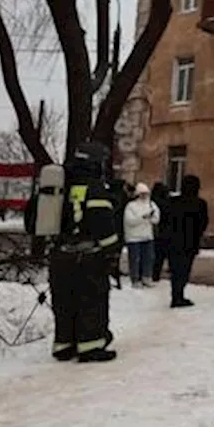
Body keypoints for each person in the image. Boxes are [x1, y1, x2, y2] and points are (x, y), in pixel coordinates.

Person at [51, 142, 121, 363]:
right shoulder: (95, 188)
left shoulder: (60, 185)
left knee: (64, 302)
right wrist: (112, 252)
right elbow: (103, 224)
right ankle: (91, 345)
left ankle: (64, 344)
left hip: (60, 255)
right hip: (88, 257)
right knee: (92, 300)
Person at [163, 173, 208, 308]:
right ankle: (179, 296)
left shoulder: (172, 201)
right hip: (189, 243)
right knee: (184, 270)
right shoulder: (200, 204)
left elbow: (165, 221)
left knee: (175, 270)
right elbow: (203, 223)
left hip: (172, 242)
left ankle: (175, 295)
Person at [122, 183, 160, 287]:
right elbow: (130, 221)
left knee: (148, 258)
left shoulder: (151, 204)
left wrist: (150, 217)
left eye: (146, 193)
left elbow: (156, 219)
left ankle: (146, 277)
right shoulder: (131, 206)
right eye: (142, 193)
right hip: (133, 237)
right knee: (135, 259)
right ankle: (135, 279)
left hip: (147, 236)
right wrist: (143, 217)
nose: (144, 196)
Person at [150, 182, 171, 282]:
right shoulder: (167, 202)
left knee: (152, 254)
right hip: (164, 232)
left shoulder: (151, 202)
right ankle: (156, 274)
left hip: (153, 231)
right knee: (160, 255)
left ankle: (150, 273)